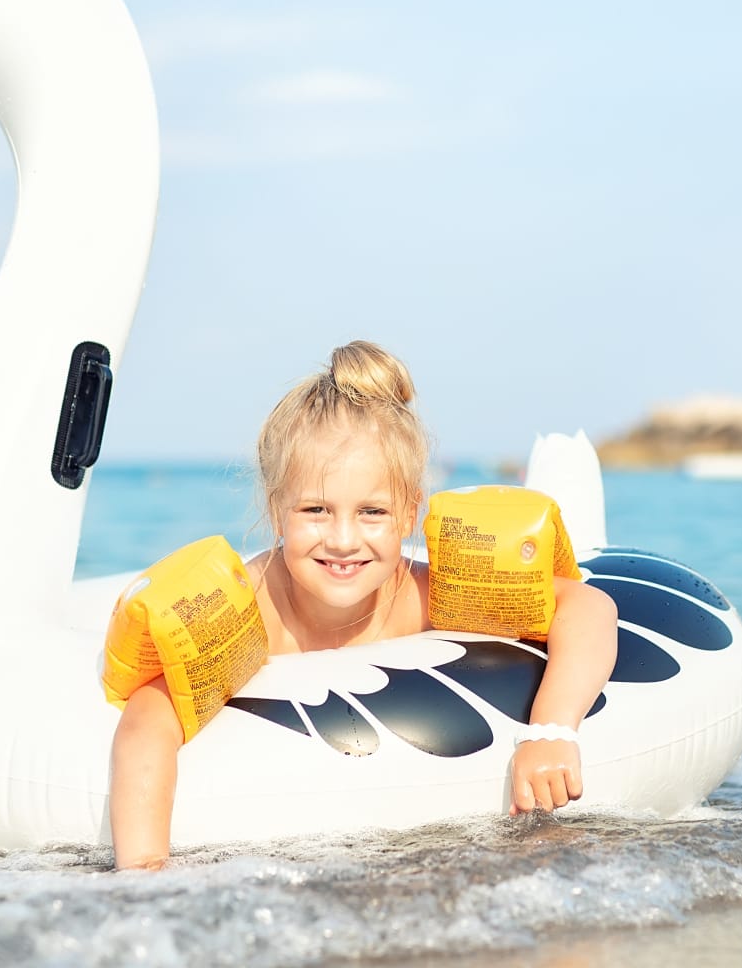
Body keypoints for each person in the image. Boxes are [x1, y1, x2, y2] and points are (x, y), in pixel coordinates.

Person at [109, 341, 620, 870]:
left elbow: (585, 606)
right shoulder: (253, 614)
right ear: (275, 509)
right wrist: (146, 868)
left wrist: (552, 730)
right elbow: (151, 715)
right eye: (316, 510)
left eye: (372, 512)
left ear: (408, 515)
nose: (344, 540)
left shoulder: (420, 595)